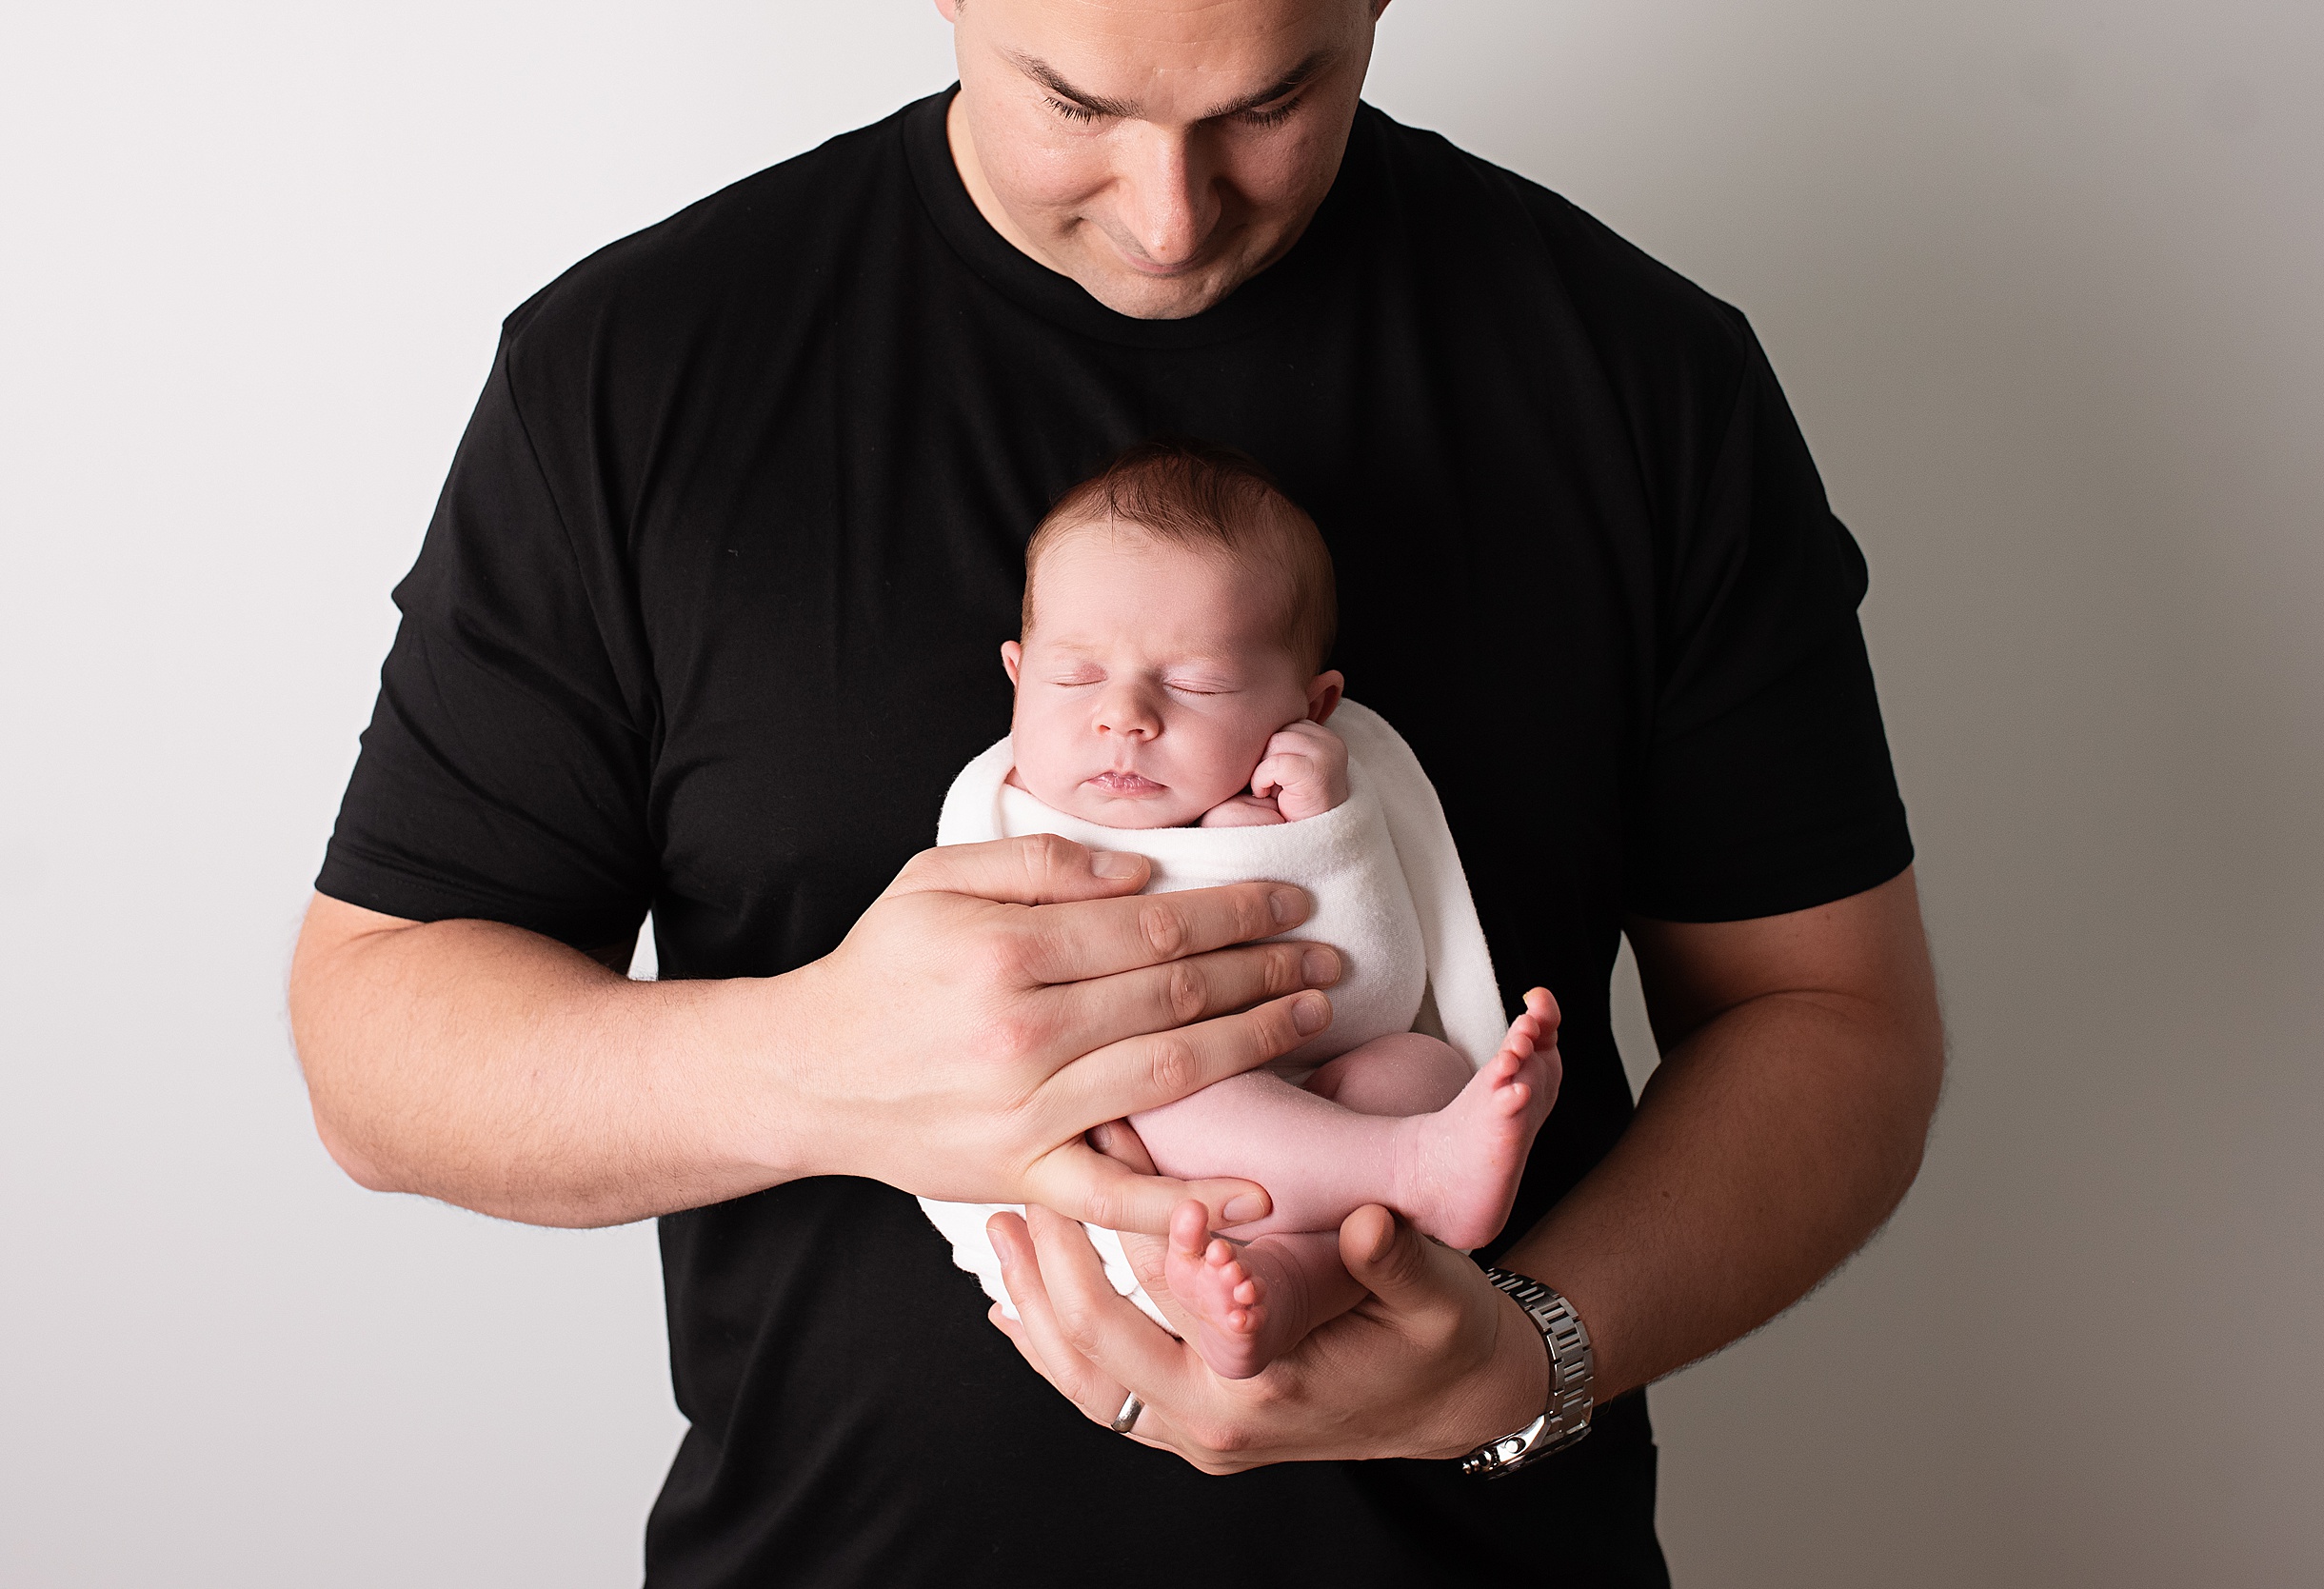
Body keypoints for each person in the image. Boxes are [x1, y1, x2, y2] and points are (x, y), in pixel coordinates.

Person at [288, 1, 1945, 1583]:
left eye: (1270, 105)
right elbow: (377, 1043)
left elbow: (1832, 1019)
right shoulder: (636, 373)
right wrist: (823, 1060)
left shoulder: (1641, 376)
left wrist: (1527, 1354)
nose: (1168, 217)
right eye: (1077, 103)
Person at [918, 439, 1566, 1380]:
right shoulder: (1005, 823)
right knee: (1170, 1073)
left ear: (1310, 704)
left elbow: (1377, 993)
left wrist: (1321, 836)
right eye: (1074, 677)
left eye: (1197, 684)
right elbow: (983, 1027)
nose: (1125, 715)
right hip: (1138, 1147)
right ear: (1017, 676)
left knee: (1422, 1065)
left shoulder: (1314, 805)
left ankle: (1287, 1289)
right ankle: (1409, 1167)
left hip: (1293, 1160)